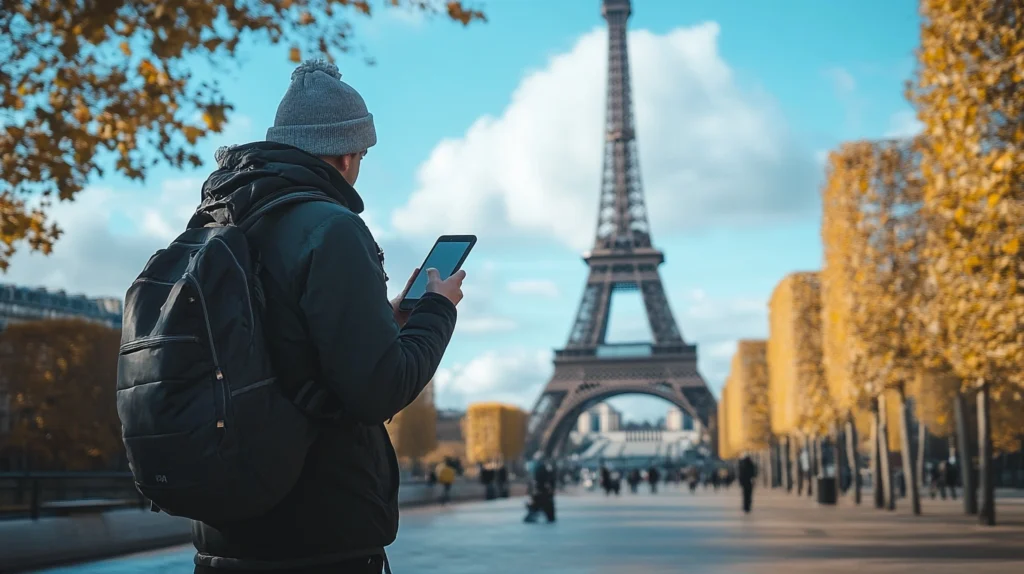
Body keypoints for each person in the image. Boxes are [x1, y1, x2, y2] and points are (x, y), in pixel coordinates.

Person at [189, 60, 464, 574]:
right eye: (361, 154)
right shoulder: (331, 228)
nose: (359, 166)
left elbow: (281, 344)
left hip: (223, 533)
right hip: (319, 530)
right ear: (343, 154)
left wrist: (381, 320)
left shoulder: (217, 221)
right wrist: (436, 311)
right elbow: (378, 390)